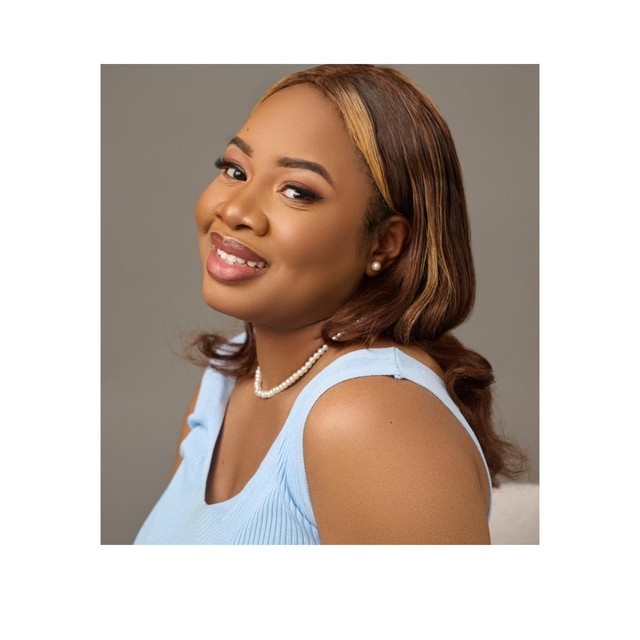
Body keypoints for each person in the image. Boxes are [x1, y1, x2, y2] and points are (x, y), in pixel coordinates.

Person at [134, 64, 526, 545]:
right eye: (236, 170)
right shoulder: (225, 382)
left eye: (297, 191)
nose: (234, 210)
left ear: (384, 243)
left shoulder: (367, 417)